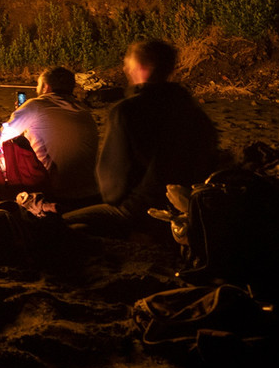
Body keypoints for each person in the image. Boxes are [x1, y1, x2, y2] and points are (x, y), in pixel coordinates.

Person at [63, 39, 219, 238]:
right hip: (191, 206)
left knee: (59, 223)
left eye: (129, 65)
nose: (126, 69)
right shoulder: (192, 109)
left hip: (141, 210)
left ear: (142, 68)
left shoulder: (126, 111)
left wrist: (116, 201)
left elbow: (112, 184)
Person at [0, 67, 100, 210]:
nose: (37, 89)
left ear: (46, 87)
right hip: (90, 191)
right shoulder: (84, 110)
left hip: (55, 191)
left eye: (38, 85)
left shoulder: (36, 105)